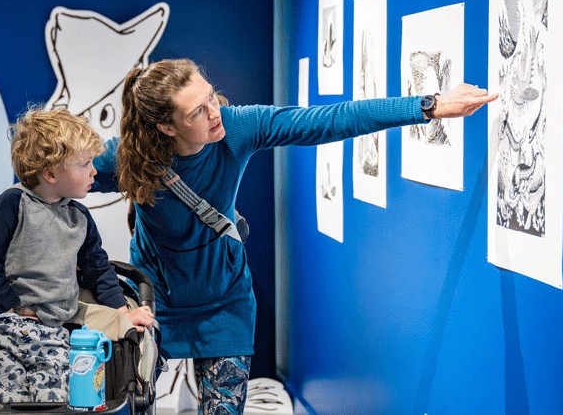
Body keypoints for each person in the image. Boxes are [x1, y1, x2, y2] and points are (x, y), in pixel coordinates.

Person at [92, 58, 497, 414]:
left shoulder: (236, 128)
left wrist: (427, 106)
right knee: (132, 403)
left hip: (224, 301)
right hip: (154, 303)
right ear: (165, 126)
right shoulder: (128, 157)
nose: (215, 112)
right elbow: (49, 179)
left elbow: (327, 120)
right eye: (198, 111)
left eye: (212, 97)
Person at [0, 108, 154, 403]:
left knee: (54, 403)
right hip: (0, 327)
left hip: (51, 333)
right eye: (85, 164)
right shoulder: (13, 204)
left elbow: (97, 269)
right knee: (7, 404)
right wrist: (10, 306)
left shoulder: (78, 217)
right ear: (50, 173)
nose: (94, 171)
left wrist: (122, 313)